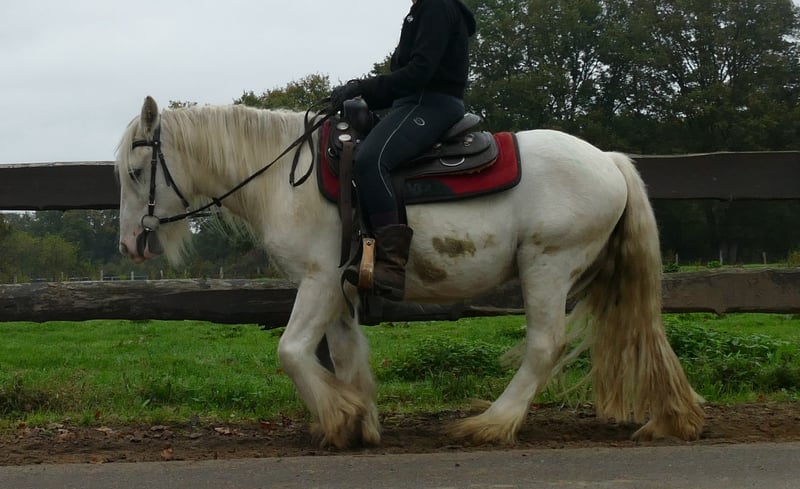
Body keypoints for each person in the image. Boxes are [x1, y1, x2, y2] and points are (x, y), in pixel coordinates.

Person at [330, 0, 476, 301]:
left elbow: (419, 73)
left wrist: (363, 87)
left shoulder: (436, 6)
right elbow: (403, 82)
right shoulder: (419, 10)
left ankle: (392, 265)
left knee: (370, 160)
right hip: (412, 103)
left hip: (431, 104)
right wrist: (361, 97)